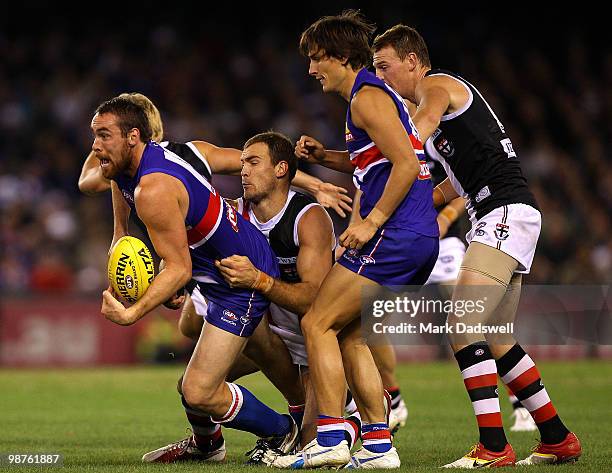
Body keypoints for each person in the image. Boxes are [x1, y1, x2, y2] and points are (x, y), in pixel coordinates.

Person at [372, 24, 581, 467]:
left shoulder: (437, 86)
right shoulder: (444, 111)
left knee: (462, 324)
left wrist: (365, 152)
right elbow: (451, 185)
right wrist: (408, 204)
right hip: (506, 213)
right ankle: (557, 438)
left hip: (502, 213)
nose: (381, 78)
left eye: (384, 67)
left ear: (412, 61)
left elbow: (411, 137)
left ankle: (493, 446)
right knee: (498, 338)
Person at [266, 11, 439, 469]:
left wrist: (370, 221)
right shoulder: (369, 100)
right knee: (351, 335)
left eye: (318, 58)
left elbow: (406, 164)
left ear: (343, 57)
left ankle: (330, 436)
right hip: (415, 236)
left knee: (316, 322)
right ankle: (379, 446)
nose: (310, 69)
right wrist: (327, 158)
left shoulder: (366, 97)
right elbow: (377, 160)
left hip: (397, 232)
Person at [92, 96, 301, 461]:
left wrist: (131, 314)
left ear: (132, 137)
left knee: (200, 390)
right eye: (94, 135)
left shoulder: (151, 188)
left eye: (104, 135)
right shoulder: (132, 169)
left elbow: (179, 268)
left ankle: (286, 432)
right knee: (193, 385)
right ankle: (208, 447)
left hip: (240, 278)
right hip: (217, 272)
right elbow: (178, 250)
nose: (95, 147)